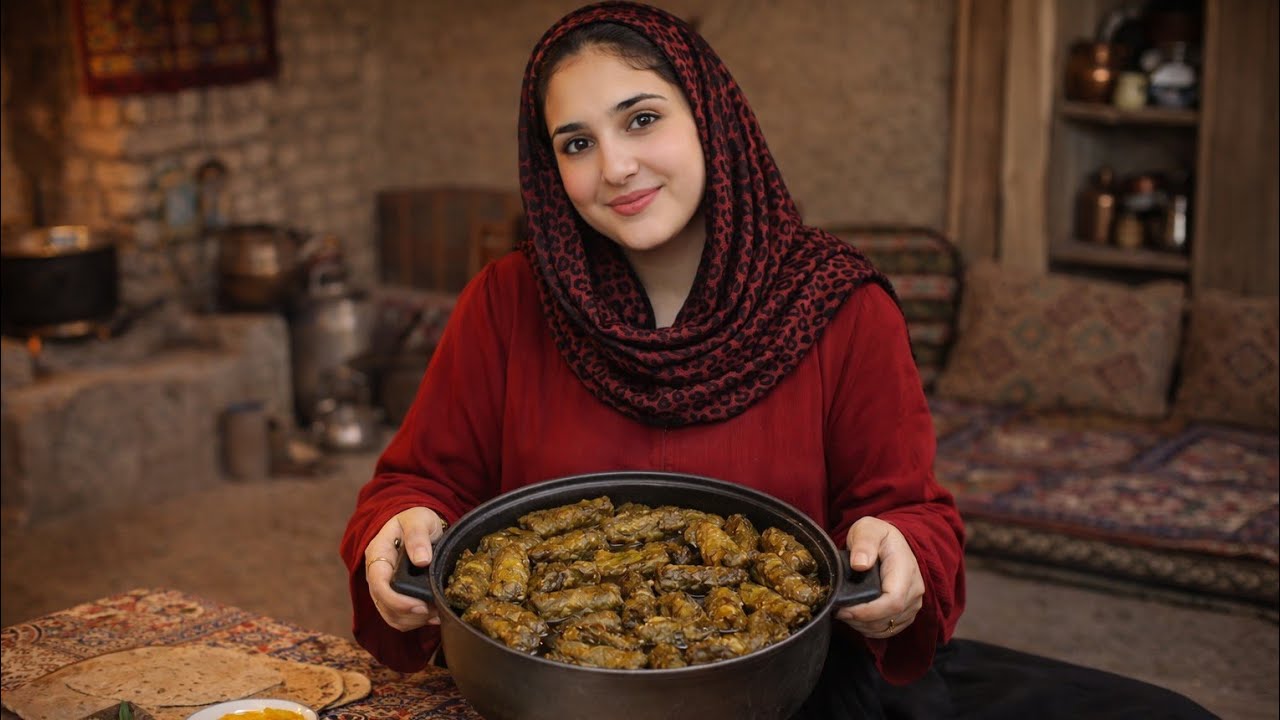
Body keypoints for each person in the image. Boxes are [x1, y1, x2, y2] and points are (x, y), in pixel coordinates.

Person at [341, 3, 1214, 718]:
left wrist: (901, 555)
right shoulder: (508, 301)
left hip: (789, 693)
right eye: (576, 143)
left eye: (642, 119)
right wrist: (398, 529)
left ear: (712, 120)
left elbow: (911, 514)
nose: (616, 167)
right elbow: (416, 486)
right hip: (554, 697)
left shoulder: (839, 305)